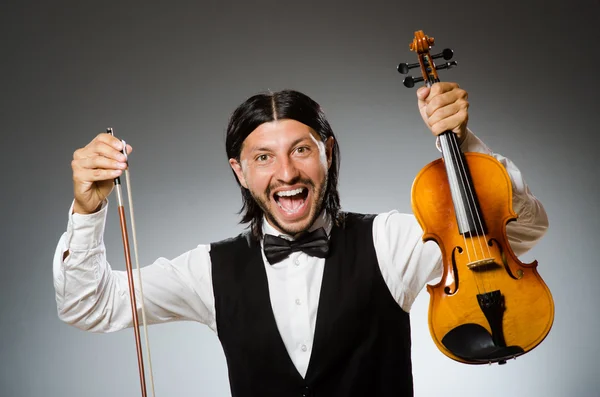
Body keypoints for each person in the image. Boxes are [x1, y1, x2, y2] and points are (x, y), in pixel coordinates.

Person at [53, 82, 548, 396]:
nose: (286, 172)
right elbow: (88, 305)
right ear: (240, 172)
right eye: (263, 157)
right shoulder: (209, 270)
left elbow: (518, 230)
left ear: (327, 153)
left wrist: (461, 143)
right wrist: (88, 209)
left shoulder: (392, 241)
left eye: (301, 150)